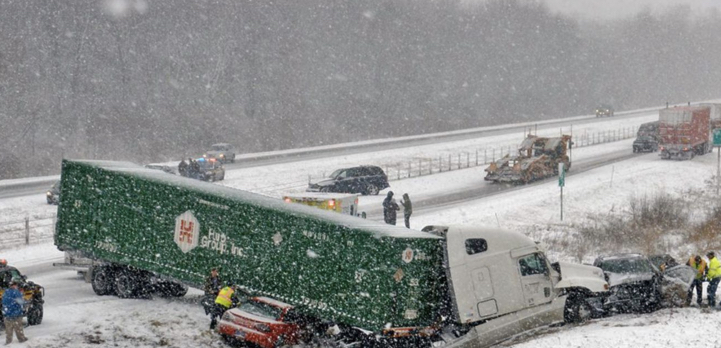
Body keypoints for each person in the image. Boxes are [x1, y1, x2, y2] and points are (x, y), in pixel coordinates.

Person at [2, 280, 28, 344]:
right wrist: (26, 302)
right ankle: (21, 339)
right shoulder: (16, 292)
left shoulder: (5, 292)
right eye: (16, 285)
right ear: (14, 285)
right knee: (18, 329)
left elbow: (3, 302)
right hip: (16, 314)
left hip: (7, 314)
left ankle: (8, 342)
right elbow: (20, 302)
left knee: (8, 330)